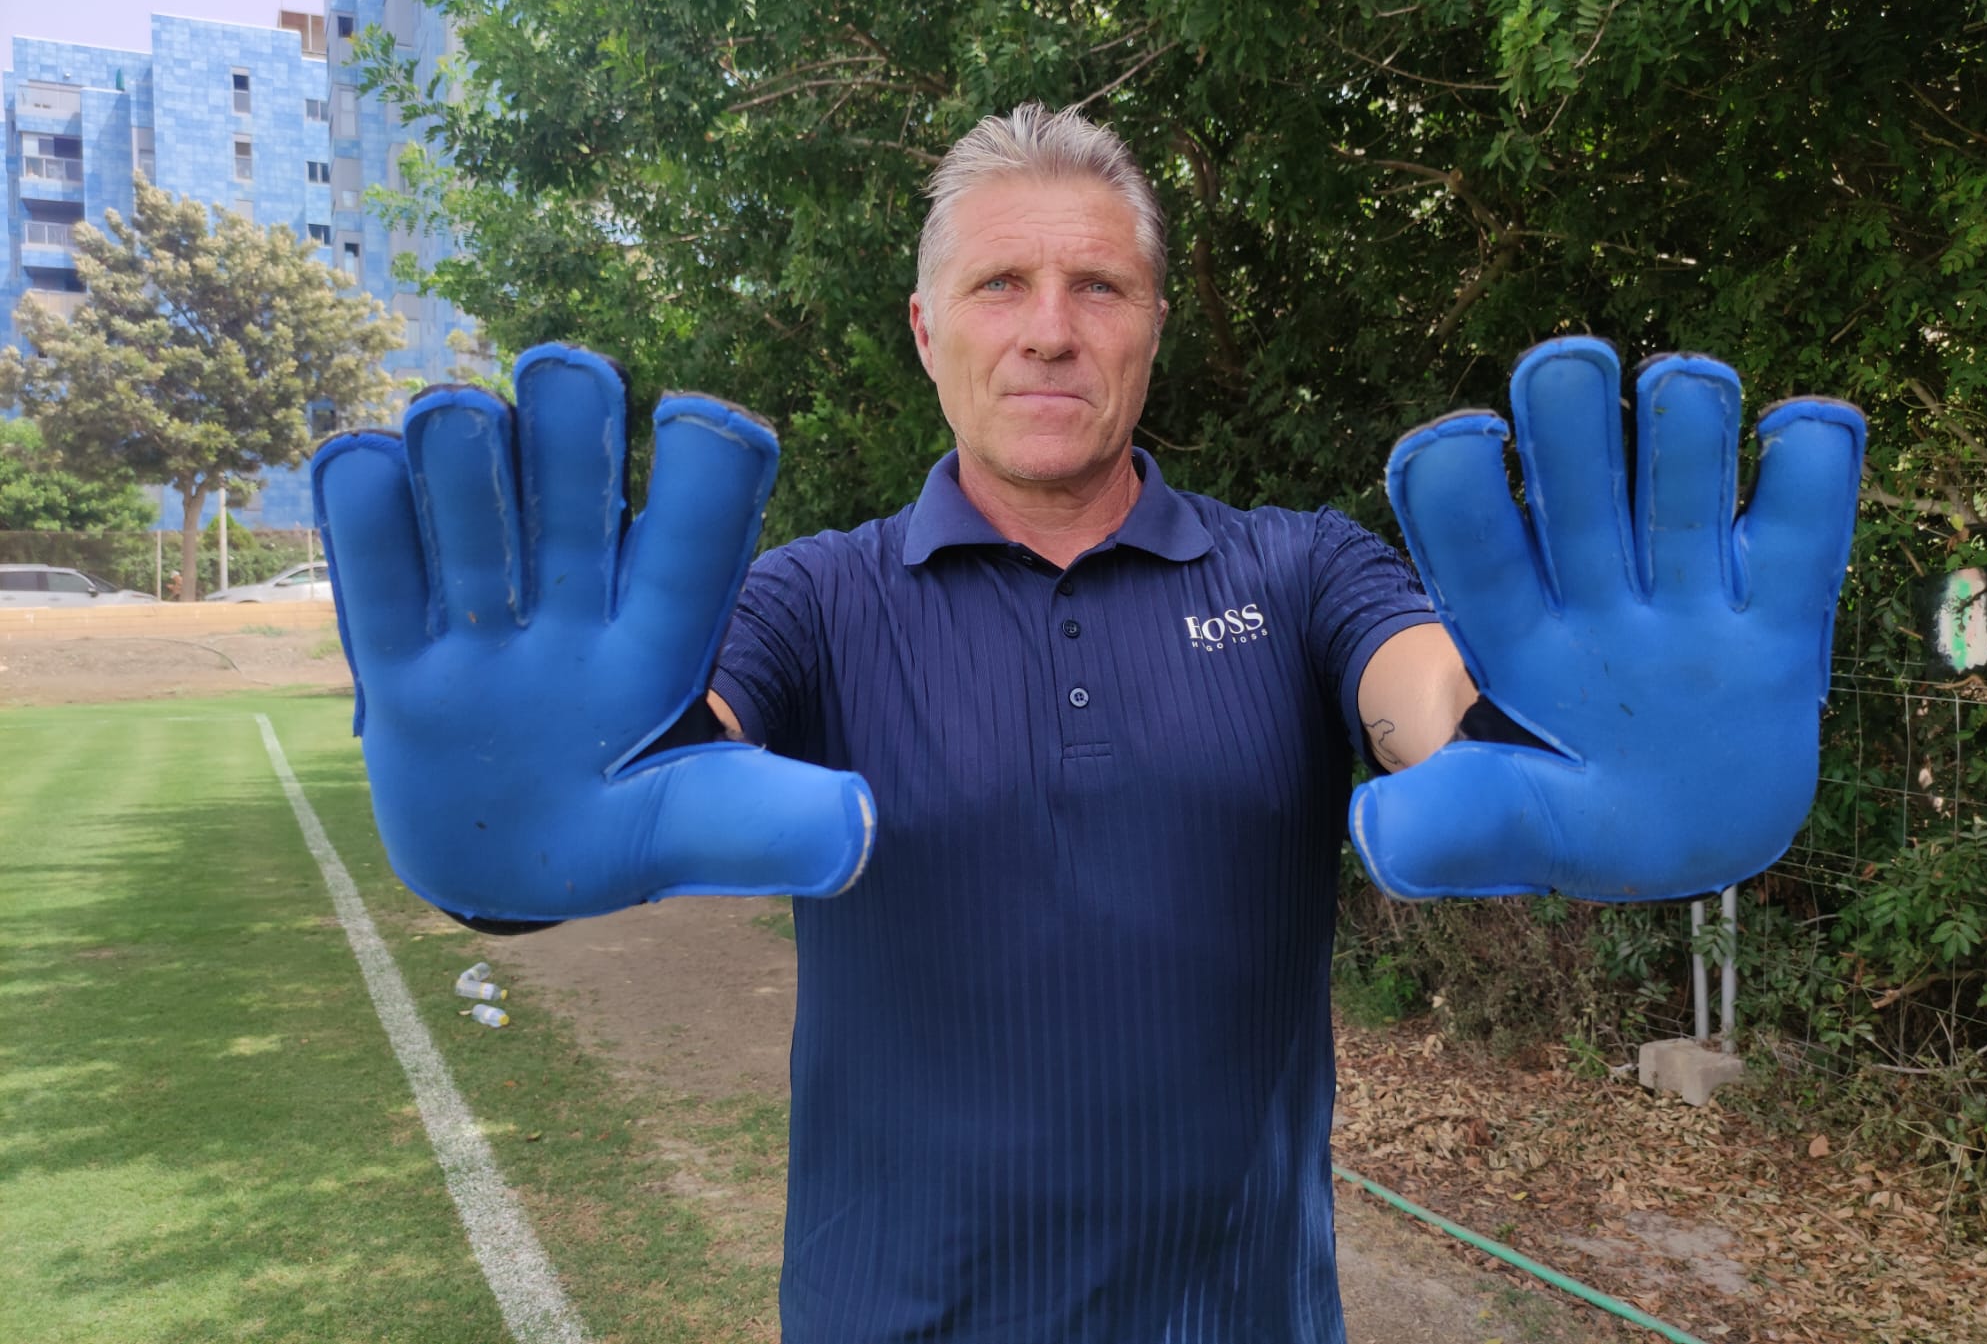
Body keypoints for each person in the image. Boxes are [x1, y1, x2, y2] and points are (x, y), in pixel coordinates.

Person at [313, 104, 1864, 1343]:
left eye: (1098, 286)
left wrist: (1567, 748)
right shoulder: (813, 599)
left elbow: (1430, 705)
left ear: (1152, 325)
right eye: (1002, 284)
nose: (1049, 328)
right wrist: (522, 813)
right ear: (928, 329)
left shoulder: (1300, 571)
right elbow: (647, 768)